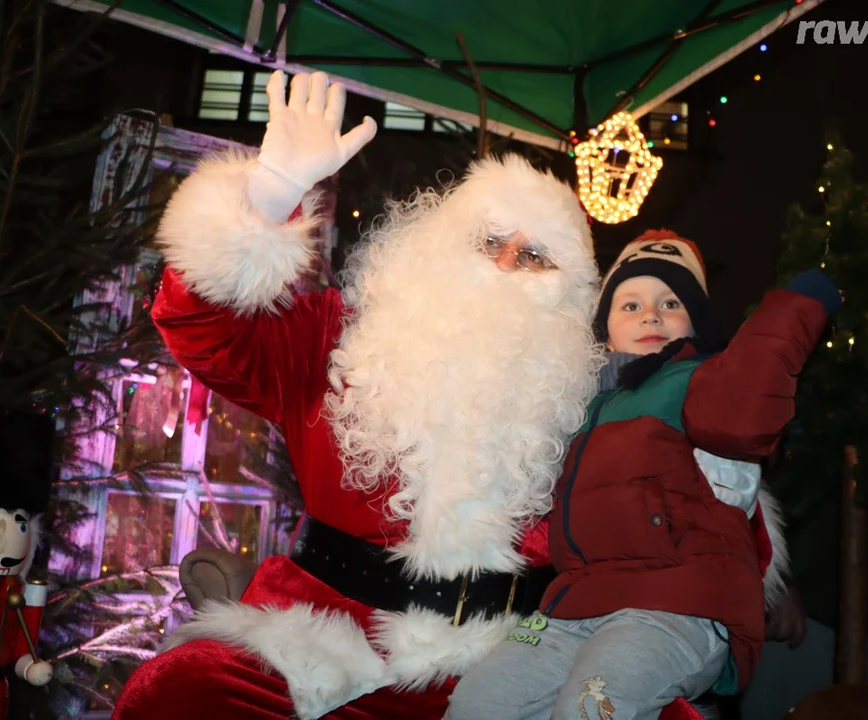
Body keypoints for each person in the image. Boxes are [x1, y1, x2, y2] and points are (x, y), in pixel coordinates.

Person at [111, 70, 606, 719]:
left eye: (536, 256)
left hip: (509, 664)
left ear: (571, 295)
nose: (505, 263)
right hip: (328, 639)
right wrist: (268, 196)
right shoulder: (340, 336)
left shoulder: (585, 394)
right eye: (490, 240)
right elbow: (203, 330)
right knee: (174, 695)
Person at [446, 230, 842, 720]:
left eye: (670, 302)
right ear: (605, 326)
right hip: (575, 605)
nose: (650, 314)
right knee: (479, 702)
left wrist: (797, 306)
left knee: (593, 706)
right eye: (629, 305)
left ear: (695, 322)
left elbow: (746, 411)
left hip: (677, 602)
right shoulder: (580, 403)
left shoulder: (701, 380)